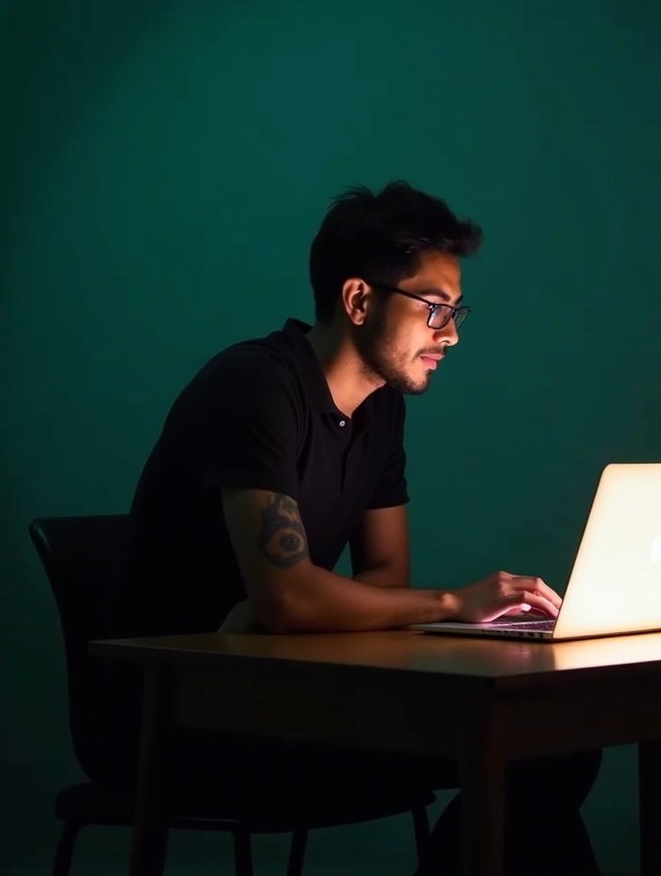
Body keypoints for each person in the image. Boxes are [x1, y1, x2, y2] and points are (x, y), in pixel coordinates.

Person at [123, 180, 600, 874]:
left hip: (284, 689)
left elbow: (379, 579)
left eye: (457, 310)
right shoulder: (257, 387)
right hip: (188, 713)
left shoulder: (381, 411)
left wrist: (297, 602)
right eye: (435, 308)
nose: (453, 333)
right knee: (526, 748)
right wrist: (450, 604)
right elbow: (294, 600)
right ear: (357, 300)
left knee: (557, 742)